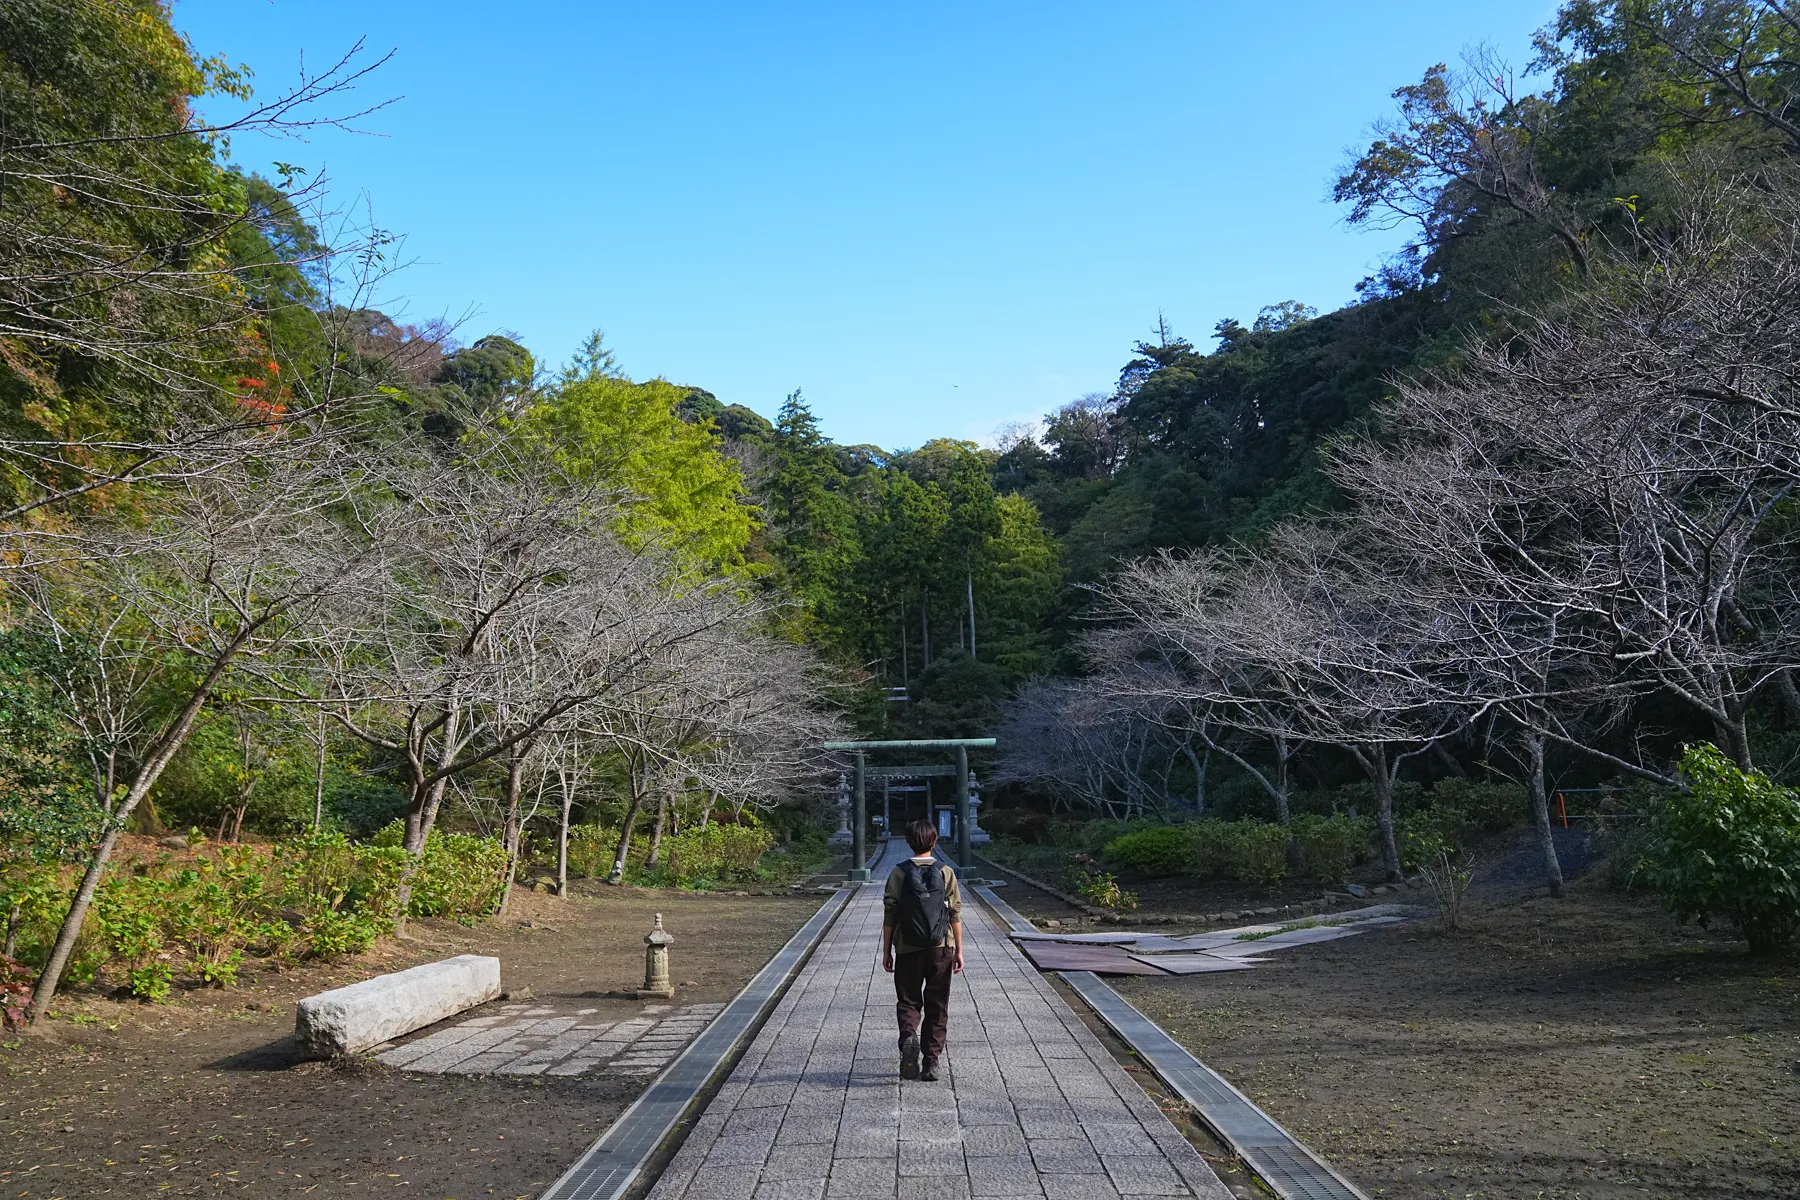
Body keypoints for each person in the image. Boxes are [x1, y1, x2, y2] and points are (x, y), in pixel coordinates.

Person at [881, 818, 964, 1082]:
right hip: (941, 947)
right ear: (934, 840)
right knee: (937, 1004)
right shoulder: (945, 871)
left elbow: (890, 913)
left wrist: (886, 951)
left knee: (908, 1000)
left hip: (907, 947)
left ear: (908, 842)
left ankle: (909, 1037)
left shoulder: (899, 872)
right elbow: (955, 914)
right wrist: (959, 950)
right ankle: (931, 1062)